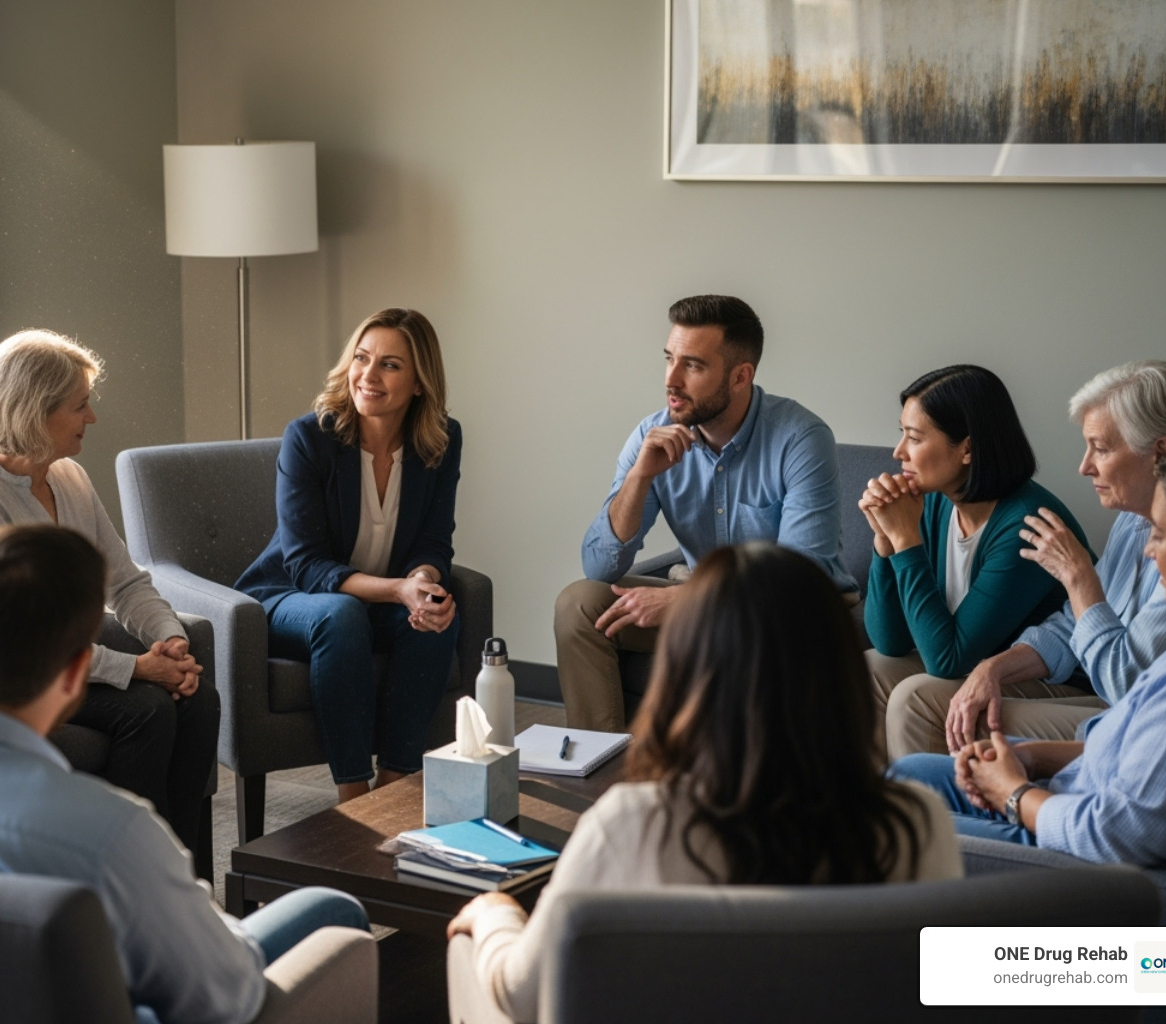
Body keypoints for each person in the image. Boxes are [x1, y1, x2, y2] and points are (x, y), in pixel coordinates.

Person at [0, 525, 369, 1024]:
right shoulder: (107, 834)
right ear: (80, 670)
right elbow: (224, 1002)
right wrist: (198, 916)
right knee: (330, 911)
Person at [450, 543, 960, 1023]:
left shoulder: (629, 824)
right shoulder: (918, 822)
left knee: (467, 950)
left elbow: (521, 993)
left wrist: (496, 916)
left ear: (687, 674)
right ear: (841, 674)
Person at [0, 329, 217, 856]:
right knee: (147, 708)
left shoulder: (70, 476)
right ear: (36, 411)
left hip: (59, 657)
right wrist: (139, 668)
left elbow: (124, 580)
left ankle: (183, 869)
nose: (91, 418)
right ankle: (125, 865)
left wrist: (171, 641)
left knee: (199, 701)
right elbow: (20, 636)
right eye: (80, 406)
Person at [889, 435, 1166, 873]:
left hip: (1080, 845)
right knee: (906, 777)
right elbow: (1134, 751)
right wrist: (1032, 757)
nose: (1149, 548)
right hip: (1075, 792)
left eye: (1159, 533)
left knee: (892, 823)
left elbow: (1114, 836)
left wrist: (1014, 793)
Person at [554, 294, 858, 732]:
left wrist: (690, 599)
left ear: (740, 376)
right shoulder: (652, 433)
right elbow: (600, 567)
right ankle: (605, 774)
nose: (671, 380)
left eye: (693, 366)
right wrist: (640, 477)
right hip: (702, 599)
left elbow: (799, 578)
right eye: (669, 359)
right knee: (579, 604)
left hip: (791, 612)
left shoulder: (800, 438)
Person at [886, 361, 1166, 758]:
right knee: (875, 669)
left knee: (920, 702)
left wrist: (1080, 582)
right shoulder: (1132, 520)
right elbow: (1069, 627)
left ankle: (941, 814)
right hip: (1108, 698)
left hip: (1138, 720)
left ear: (1162, 452)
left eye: (1102, 448)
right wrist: (996, 667)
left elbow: (1126, 682)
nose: (1084, 466)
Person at [234, 307, 460, 803]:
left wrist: (420, 583)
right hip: (289, 597)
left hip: (373, 601)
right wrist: (398, 589)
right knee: (341, 614)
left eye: (390, 365)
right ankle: (354, 796)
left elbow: (434, 540)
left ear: (420, 382)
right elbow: (305, 565)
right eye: (362, 358)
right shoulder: (309, 438)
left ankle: (396, 784)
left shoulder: (441, 439)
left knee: (437, 613)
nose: (368, 375)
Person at [862, 364, 1091, 758]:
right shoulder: (934, 501)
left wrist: (906, 540)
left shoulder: (1026, 523)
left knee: (917, 692)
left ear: (967, 448)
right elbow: (888, 642)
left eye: (914, 437)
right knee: (870, 667)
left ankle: (926, 808)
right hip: (968, 666)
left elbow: (947, 659)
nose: (899, 452)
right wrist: (885, 543)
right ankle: (876, 805)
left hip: (1056, 682)